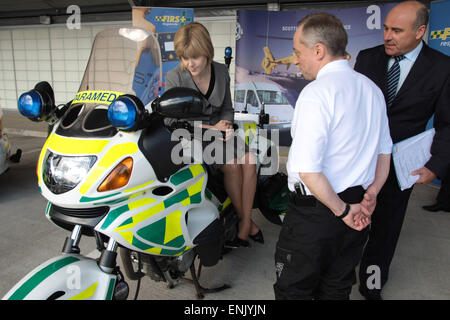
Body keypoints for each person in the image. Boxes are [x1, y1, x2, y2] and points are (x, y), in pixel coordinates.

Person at [273, 12, 392, 300]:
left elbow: (309, 171)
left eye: (298, 52)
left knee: (294, 290)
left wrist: (342, 211)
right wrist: (372, 192)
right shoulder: (372, 90)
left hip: (317, 214)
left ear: (318, 50)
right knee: (337, 288)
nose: (296, 60)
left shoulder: (316, 93)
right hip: (357, 206)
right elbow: (385, 152)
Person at [354, 1, 450, 300]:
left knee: (386, 226)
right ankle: (337, 278)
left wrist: (436, 165)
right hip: (360, 161)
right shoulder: (367, 58)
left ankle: (371, 283)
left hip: (401, 165)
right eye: (385, 28)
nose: (387, 36)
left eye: (397, 30)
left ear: (420, 31)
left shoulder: (442, 68)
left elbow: (448, 124)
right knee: (350, 221)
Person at [165, 22, 263, 248]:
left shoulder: (220, 71)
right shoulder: (175, 77)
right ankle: (246, 224)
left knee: (250, 161)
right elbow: (171, 120)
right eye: (184, 57)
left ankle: (245, 222)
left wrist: (227, 125)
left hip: (222, 131)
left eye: (195, 57)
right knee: (232, 165)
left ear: (207, 52)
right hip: (193, 136)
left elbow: (227, 107)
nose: (189, 63)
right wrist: (212, 129)